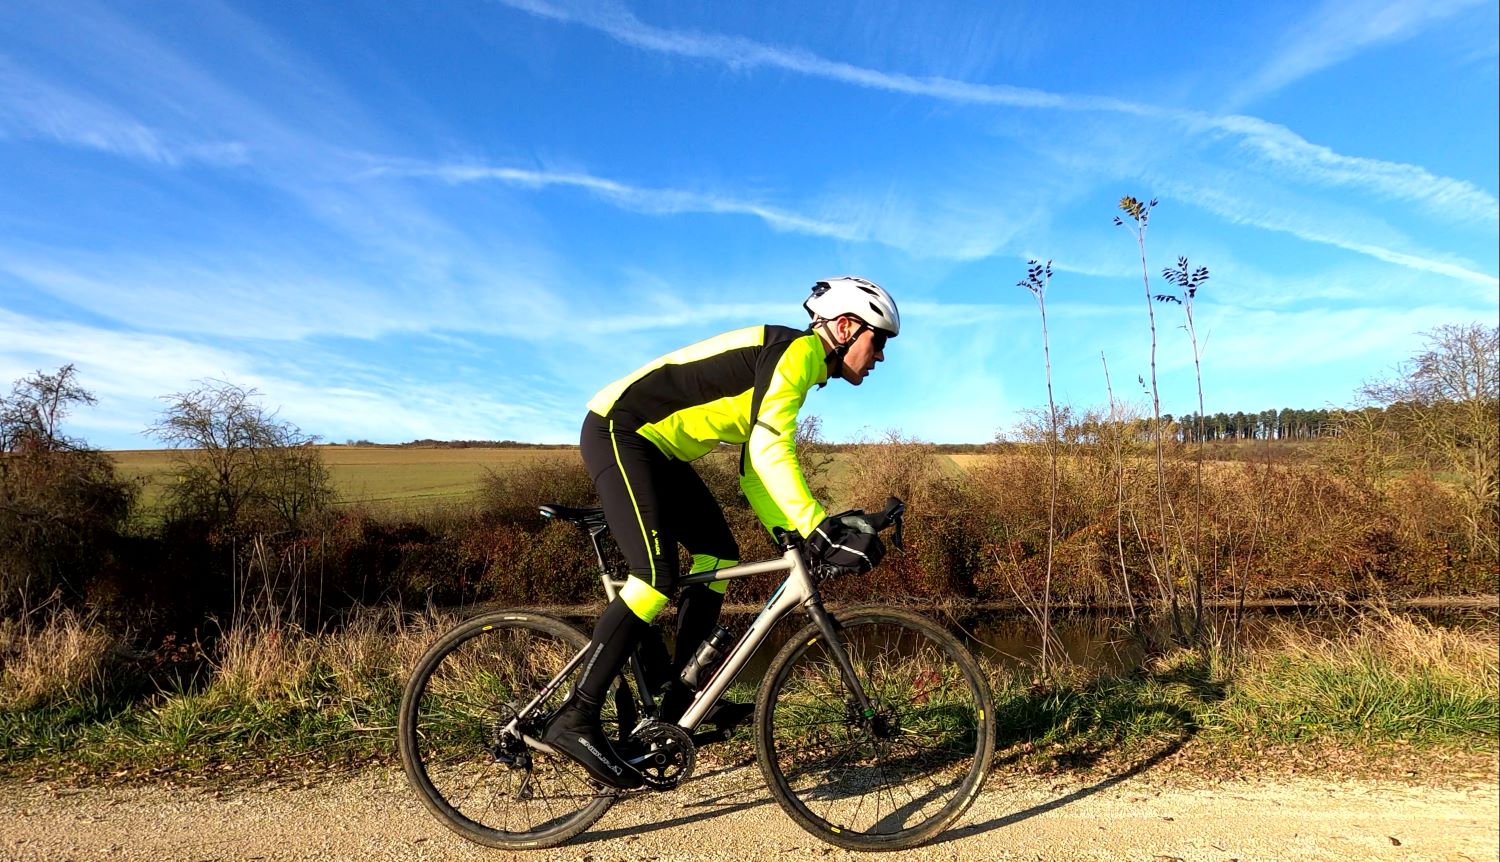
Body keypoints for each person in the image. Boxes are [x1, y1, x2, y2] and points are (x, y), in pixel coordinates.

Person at [542, 276, 901, 789]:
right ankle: (576, 716)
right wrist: (817, 525)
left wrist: (794, 536)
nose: (880, 355)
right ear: (845, 328)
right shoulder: (797, 354)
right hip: (621, 432)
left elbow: (754, 473)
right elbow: (770, 453)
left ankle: (682, 693)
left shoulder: (795, 366)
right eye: (878, 340)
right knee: (654, 577)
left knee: (717, 553)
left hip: (658, 452)